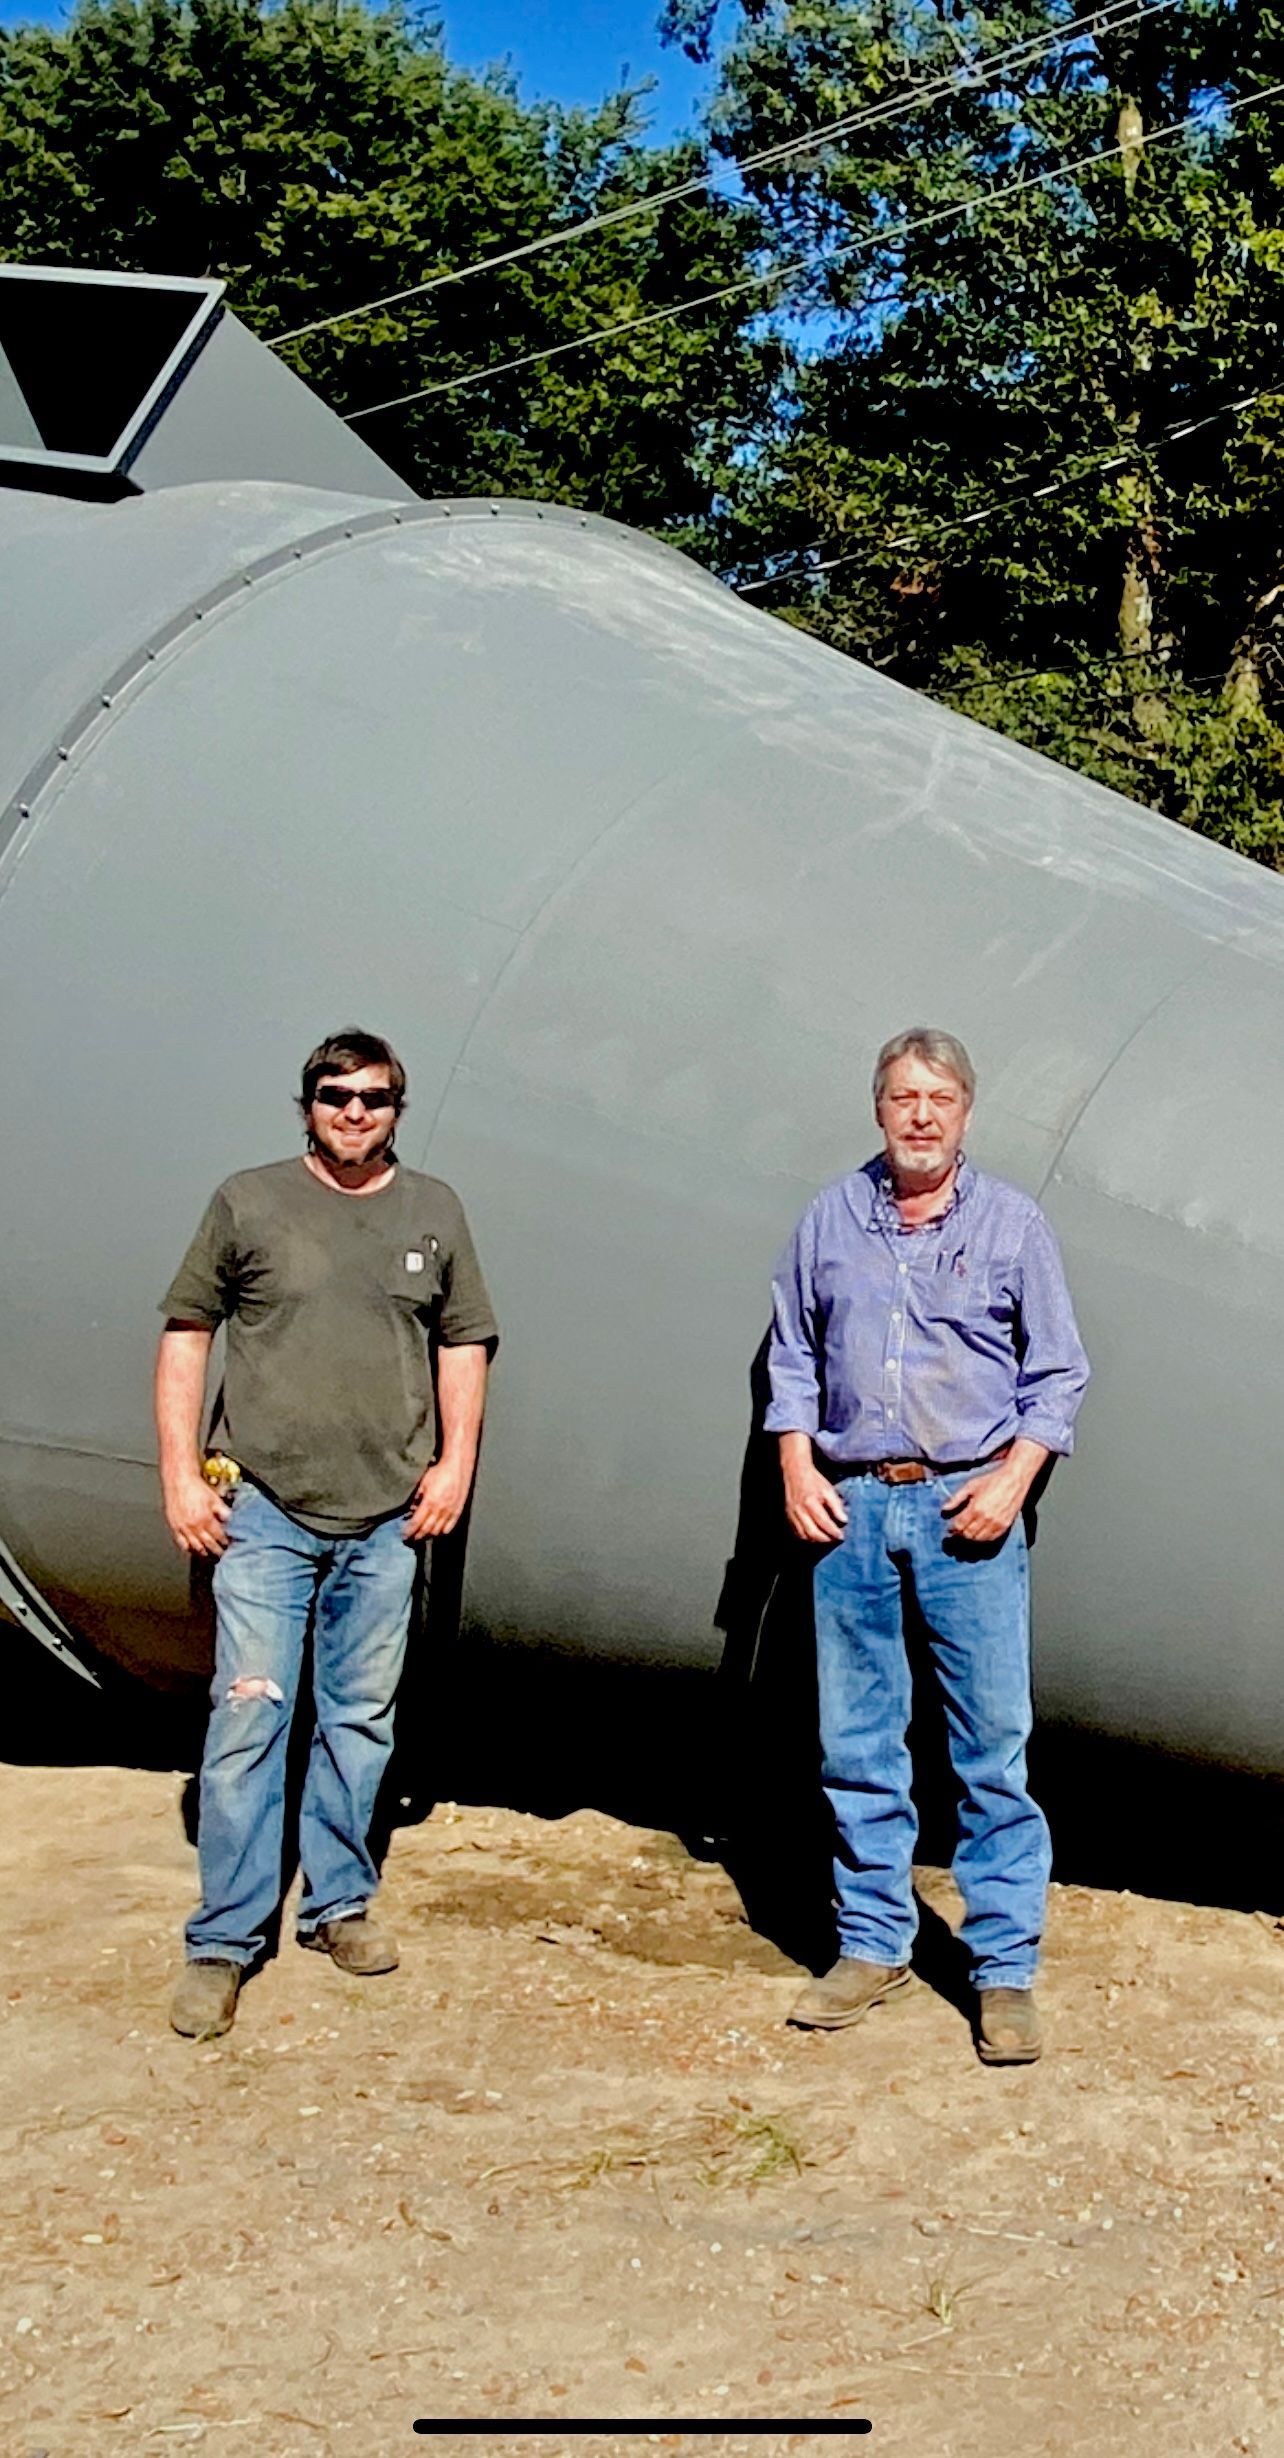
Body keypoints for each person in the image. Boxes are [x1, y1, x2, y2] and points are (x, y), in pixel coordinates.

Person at [156, 1028, 498, 2039]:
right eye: (335, 1094)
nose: (355, 1112)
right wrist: (180, 1472)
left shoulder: (433, 1209)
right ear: (306, 1101)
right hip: (263, 1509)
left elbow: (466, 1341)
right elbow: (186, 1332)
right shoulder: (248, 1200)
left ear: (399, 1106)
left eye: (376, 1098)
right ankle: (223, 1942)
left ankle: (338, 1906)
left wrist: (453, 1466)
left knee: (358, 1722)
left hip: (388, 1517)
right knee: (250, 1720)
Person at [765, 1027, 1088, 2064]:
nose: (920, 1115)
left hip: (968, 1511)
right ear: (879, 1108)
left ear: (965, 1112)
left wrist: (1012, 1480)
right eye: (903, 1095)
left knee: (991, 1748)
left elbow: (1060, 1374)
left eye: (939, 1097)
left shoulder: (1011, 1225)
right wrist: (797, 1468)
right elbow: (793, 1357)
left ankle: (1002, 1973)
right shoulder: (831, 1220)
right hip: (854, 1507)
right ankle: (871, 1944)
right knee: (858, 1742)